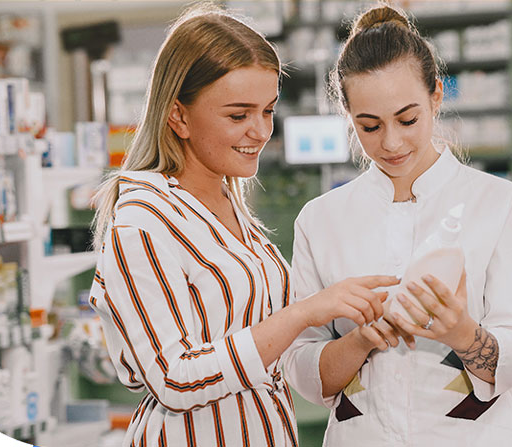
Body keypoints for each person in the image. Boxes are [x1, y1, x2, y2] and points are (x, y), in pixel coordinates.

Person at [88, 4, 398, 446]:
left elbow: (272, 342)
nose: (260, 131)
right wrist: (305, 312)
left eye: (268, 110)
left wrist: (360, 330)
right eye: (238, 115)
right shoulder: (143, 221)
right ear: (178, 116)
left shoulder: (229, 205)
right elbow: (174, 379)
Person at [282, 4, 512, 446]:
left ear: (436, 96)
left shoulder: (496, 202)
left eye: (408, 119)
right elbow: (302, 370)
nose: (391, 142)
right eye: (369, 126)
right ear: (348, 116)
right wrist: (362, 340)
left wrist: (459, 331)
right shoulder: (320, 219)